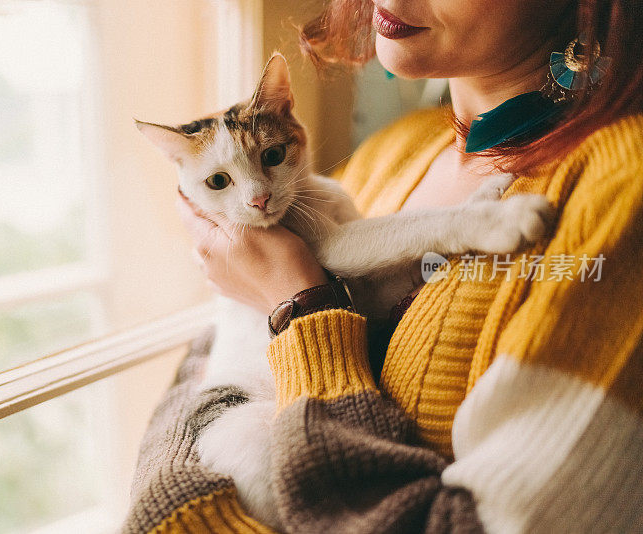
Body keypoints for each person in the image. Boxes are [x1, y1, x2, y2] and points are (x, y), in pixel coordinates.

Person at [132, 0, 643, 532]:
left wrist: (302, 309)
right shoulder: (392, 152)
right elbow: (206, 378)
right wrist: (180, 507)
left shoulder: (621, 189)